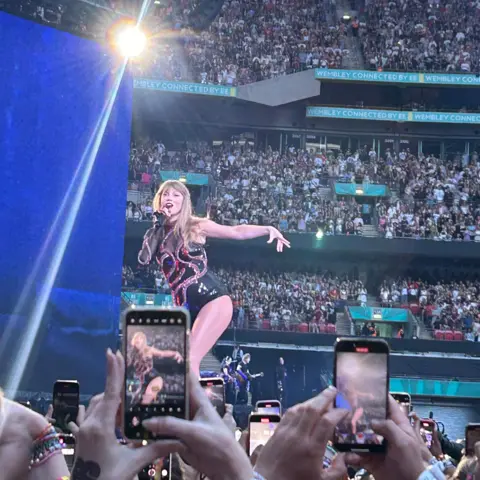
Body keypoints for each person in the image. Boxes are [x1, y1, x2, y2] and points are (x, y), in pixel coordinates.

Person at [138, 180, 290, 376]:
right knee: (177, 362)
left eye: (176, 195)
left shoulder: (196, 225)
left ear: (184, 201)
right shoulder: (156, 233)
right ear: (159, 199)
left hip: (212, 298)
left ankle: (195, 407)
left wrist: (267, 229)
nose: (170, 198)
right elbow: (143, 259)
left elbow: (235, 232)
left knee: (190, 359)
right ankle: (190, 403)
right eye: (166, 194)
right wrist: (157, 226)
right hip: (185, 307)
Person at [127, 331, 183, 405]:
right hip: (141, 381)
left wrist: (175, 353)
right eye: (136, 338)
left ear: (143, 341)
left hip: (154, 378)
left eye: (140, 338)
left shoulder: (149, 350)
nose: (138, 340)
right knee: (135, 402)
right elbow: (126, 365)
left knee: (147, 399)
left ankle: (154, 398)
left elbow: (162, 353)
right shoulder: (131, 353)